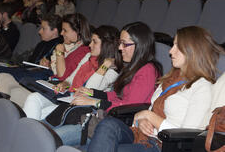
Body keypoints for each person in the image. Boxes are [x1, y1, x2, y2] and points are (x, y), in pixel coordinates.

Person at [87, 26, 225, 152]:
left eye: (177, 46)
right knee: (109, 124)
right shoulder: (169, 79)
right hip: (143, 134)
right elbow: (148, 109)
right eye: (173, 45)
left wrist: (150, 117)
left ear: (193, 50)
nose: (171, 51)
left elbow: (189, 134)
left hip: (162, 145)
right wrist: (141, 120)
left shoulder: (202, 87)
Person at [53, 22, 162, 146]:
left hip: (121, 125)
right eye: (120, 43)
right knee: (52, 133)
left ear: (140, 45)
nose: (120, 48)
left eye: (124, 44)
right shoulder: (134, 66)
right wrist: (93, 93)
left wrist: (94, 102)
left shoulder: (147, 70)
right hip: (110, 118)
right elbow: (117, 95)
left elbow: (128, 106)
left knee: (53, 137)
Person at [23, 25, 123, 120]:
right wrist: (64, 84)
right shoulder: (88, 57)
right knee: (33, 98)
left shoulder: (112, 71)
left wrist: (104, 66)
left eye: (94, 42)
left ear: (106, 45)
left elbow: (89, 91)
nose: (90, 45)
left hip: (81, 106)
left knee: (42, 113)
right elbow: (70, 79)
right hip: (68, 96)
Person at [0, 13, 91, 106]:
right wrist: (50, 63)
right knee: (3, 78)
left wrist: (59, 52)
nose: (61, 33)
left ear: (77, 32)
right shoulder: (70, 46)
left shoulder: (83, 51)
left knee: (5, 80)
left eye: (65, 30)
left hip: (57, 89)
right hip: (49, 81)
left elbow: (62, 76)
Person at [0, 14, 63, 83]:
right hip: (27, 70)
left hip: (37, 75)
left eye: (43, 29)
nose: (39, 32)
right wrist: (18, 66)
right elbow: (31, 62)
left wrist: (49, 65)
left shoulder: (59, 46)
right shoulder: (42, 43)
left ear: (55, 31)